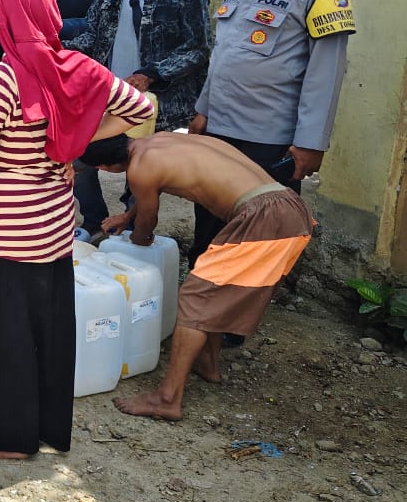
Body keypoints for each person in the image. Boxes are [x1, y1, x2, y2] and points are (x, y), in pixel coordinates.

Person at [0, 0, 154, 473]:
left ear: (5, 20)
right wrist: (74, 138)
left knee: (0, 338)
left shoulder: (0, 81)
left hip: (0, 233)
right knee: (40, 332)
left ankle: (3, 436)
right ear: (49, 15)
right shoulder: (76, 68)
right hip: (52, 230)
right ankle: (38, 426)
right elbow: (140, 107)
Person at [188, 0, 354, 340]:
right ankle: (199, 317)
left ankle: (230, 327)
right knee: (210, 225)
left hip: (270, 139)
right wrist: (203, 110)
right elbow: (224, 55)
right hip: (220, 131)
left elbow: (326, 69)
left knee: (256, 235)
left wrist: (311, 142)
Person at [80, 132, 314, 421]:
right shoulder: (158, 142)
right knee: (215, 287)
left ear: (103, 167)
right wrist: (127, 218)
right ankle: (207, 363)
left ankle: (167, 399)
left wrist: (136, 243)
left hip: (264, 218)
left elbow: (148, 223)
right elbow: (151, 187)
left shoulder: (139, 168)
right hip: (285, 204)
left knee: (195, 297)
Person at [64, 0, 210, 235]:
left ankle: (131, 231)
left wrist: (150, 74)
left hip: (156, 105)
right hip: (108, 98)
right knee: (79, 157)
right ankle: (95, 222)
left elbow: (198, 49)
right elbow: (93, 35)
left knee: (141, 171)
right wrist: (58, 51)